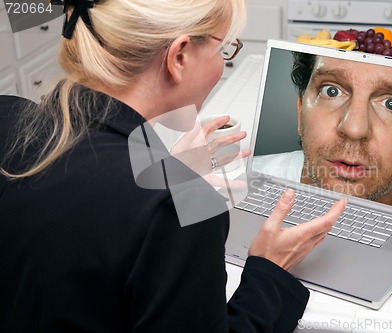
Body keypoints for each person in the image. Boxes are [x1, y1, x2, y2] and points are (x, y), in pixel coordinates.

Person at [0, 1, 347, 332]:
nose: (221, 64)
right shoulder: (177, 208)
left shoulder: (7, 114)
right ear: (179, 56)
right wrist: (269, 270)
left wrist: (163, 170)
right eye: (223, 50)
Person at [253, 51, 392, 217]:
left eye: (391, 104)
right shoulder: (240, 183)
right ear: (300, 109)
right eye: (331, 91)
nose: (354, 130)